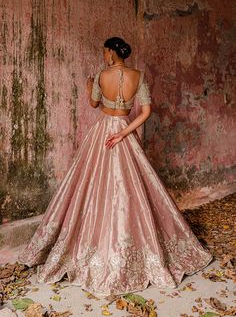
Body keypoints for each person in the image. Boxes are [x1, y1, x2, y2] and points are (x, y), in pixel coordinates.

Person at [18, 37, 213, 298]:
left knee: (91, 186)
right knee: (131, 188)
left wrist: (89, 88)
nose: (104, 56)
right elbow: (145, 112)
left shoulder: (101, 75)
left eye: (104, 52)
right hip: (123, 130)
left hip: (102, 132)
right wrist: (124, 134)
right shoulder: (138, 75)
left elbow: (94, 105)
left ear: (111, 53)